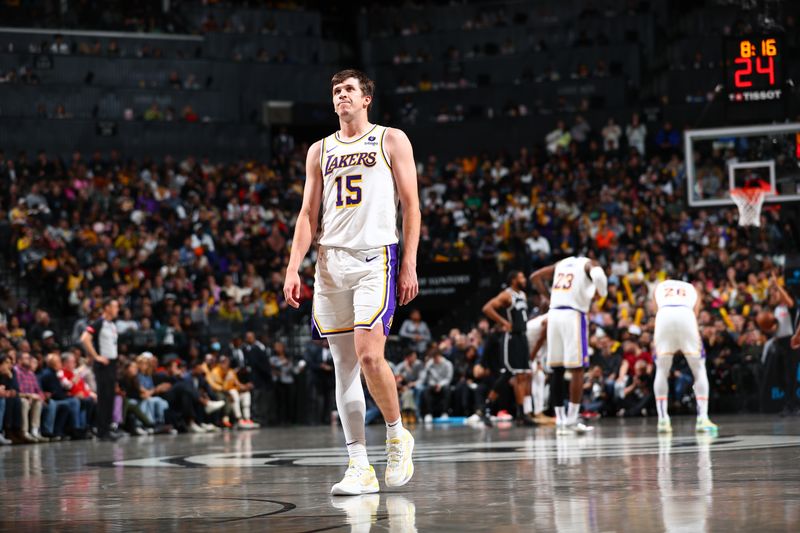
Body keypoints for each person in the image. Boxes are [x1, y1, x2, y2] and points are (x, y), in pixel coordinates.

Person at [283, 69, 419, 496]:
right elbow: (307, 215)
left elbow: (412, 206)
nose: (340, 96)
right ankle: (358, 464)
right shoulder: (319, 150)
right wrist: (293, 266)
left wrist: (409, 263)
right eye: (335, 91)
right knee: (343, 368)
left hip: (375, 256)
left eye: (348, 90)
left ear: (366, 99)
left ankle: (397, 435)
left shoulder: (390, 139)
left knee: (368, 355)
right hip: (329, 262)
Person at [530, 256, 608, 434]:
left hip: (554, 314)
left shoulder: (562, 264)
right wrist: (601, 292)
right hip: (573, 315)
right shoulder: (589, 264)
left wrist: (548, 296)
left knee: (557, 369)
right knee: (578, 368)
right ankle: (572, 420)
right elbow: (598, 276)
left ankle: (561, 421)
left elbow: (535, 276)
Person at [653, 279, 717, 434]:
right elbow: (695, 313)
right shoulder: (693, 288)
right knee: (699, 369)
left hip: (664, 314)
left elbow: (655, 309)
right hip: (685, 314)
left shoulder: (659, 287)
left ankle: (663, 420)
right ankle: (702, 418)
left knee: (661, 369)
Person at [480, 270, 535, 427]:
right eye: (521, 277)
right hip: (511, 338)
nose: (524, 279)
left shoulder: (522, 295)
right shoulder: (507, 295)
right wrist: (504, 322)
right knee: (509, 375)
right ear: (513, 280)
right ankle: (487, 407)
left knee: (523, 376)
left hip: (522, 337)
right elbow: (487, 308)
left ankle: (521, 414)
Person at [80, 298, 122, 441]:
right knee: (104, 397)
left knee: (110, 396)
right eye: (115, 306)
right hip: (103, 364)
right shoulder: (99, 323)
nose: (117, 309)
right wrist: (96, 356)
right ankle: (102, 431)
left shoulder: (111, 325)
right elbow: (85, 338)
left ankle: (107, 429)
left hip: (112, 364)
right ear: (107, 308)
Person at [526, 313, 555, 425]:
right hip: (525, 344)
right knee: (529, 378)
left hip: (533, 347)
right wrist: (532, 359)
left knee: (540, 377)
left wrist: (538, 360)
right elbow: (540, 339)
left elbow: (542, 342)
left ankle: (539, 412)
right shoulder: (554, 317)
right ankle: (528, 412)